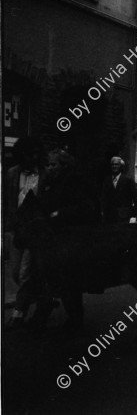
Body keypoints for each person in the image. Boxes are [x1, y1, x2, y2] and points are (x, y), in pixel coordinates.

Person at [4, 137, 48, 329]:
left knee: (25, 273)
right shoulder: (12, 174)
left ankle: (18, 313)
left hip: (35, 231)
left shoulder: (45, 175)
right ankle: (39, 299)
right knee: (15, 272)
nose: (33, 158)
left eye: (35, 154)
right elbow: (6, 201)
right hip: (15, 229)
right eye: (29, 154)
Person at [100, 157, 137, 224]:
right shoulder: (107, 180)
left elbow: (136, 197)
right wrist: (103, 211)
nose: (114, 166)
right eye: (113, 164)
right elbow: (104, 197)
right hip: (110, 215)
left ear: (121, 166)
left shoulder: (128, 180)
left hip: (124, 215)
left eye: (116, 164)